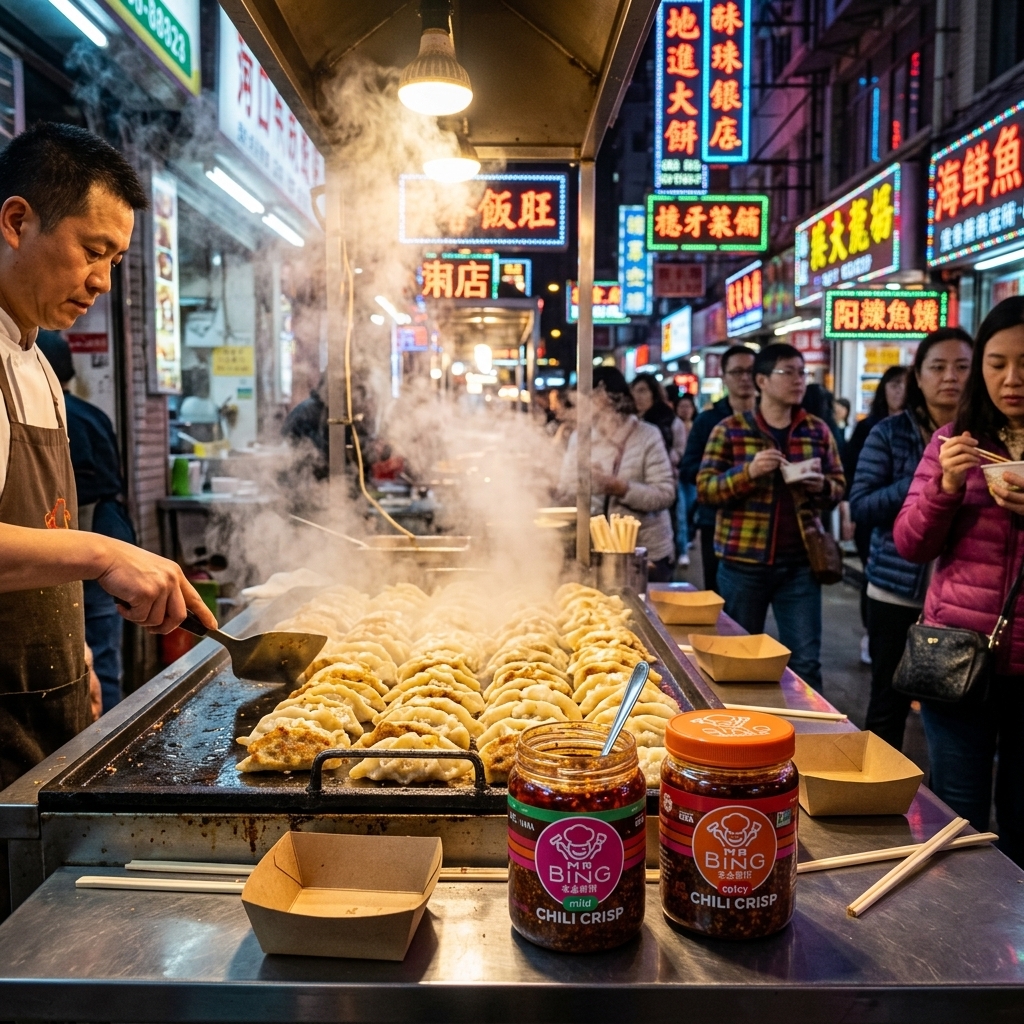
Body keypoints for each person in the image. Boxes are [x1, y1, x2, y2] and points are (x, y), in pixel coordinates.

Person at [0, 123, 216, 787]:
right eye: (93, 250)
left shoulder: (35, 363)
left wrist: (81, 658)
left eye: (116, 262)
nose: (101, 281)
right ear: (16, 221)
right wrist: (107, 553)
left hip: (48, 706)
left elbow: (47, 534)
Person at [895, 298, 1024, 866]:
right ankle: (953, 946)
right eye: (996, 363)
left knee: (1022, 815)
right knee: (956, 815)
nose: (1011, 379)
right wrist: (946, 483)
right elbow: (911, 543)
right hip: (958, 660)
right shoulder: (955, 441)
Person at [849, 327, 973, 750]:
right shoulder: (888, 433)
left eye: (962, 367)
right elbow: (861, 505)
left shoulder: (990, 440)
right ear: (917, 377)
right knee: (888, 702)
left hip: (963, 603)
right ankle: (877, 794)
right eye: (937, 367)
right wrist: (927, 480)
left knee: (957, 715)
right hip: (896, 591)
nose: (950, 377)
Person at [697, 343, 845, 692]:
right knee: (736, 658)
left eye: (801, 372)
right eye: (788, 372)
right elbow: (705, 489)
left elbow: (839, 486)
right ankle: (736, 734)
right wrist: (748, 472)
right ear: (761, 380)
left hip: (801, 565)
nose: (798, 380)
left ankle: (808, 740)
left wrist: (821, 485)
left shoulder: (817, 430)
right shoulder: (729, 430)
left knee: (806, 661)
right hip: (741, 563)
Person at [36, 332, 139, 714]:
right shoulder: (93, 414)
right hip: (113, 530)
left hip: (80, 542)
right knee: (106, 655)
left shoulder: (56, 416)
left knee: (83, 656)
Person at [559, 367, 676, 580]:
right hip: (596, 548)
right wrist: (582, 482)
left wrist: (619, 487)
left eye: (589, 398)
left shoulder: (647, 435)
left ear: (609, 397)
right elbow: (564, 488)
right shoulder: (580, 437)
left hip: (643, 551)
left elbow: (665, 494)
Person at [843, 364, 908, 665]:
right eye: (894, 384)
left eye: (906, 384)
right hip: (876, 526)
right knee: (875, 578)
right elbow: (853, 480)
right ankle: (872, 634)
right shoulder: (871, 428)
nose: (900, 390)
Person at [680, 344, 756, 591]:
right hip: (716, 519)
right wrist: (724, 477)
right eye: (737, 372)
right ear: (724, 377)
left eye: (750, 371)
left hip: (760, 522)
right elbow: (688, 467)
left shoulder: (771, 418)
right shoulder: (708, 421)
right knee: (719, 599)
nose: (745, 378)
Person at [674, 393, 697, 566]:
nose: (685, 409)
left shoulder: (696, 426)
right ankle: (682, 550)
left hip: (692, 477)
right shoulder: (675, 426)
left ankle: (689, 537)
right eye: (682, 406)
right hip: (678, 476)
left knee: (691, 509)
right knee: (681, 513)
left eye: (688, 406)